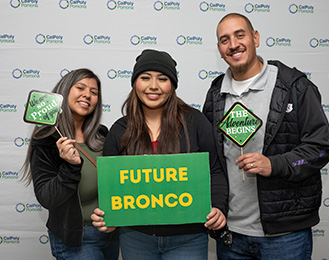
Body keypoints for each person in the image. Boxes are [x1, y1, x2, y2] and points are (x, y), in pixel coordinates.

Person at [203, 13, 329, 260]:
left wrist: (274, 164)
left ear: (255, 38)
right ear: (220, 50)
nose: (233, 44)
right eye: (224, 40)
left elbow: (321, 147)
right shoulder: (215, 94)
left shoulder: (294, 87)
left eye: (240, 35)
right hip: (230, 235)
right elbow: (210, 162)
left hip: (285, 236)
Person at [91, 49, 228, 260]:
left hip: (189, 237)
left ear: (172, 85)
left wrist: (218, 207)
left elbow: (216, 170)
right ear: (135, 83)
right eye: (145, 78)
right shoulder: (119, 130)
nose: (153, 86)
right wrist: (108, 218)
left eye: (162, 79)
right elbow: (110, 186)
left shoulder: (196, 122)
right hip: (135, 237)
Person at [21, 69, 119, 260]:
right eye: (80, 88)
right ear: (64, 92)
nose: (87, 95)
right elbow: (47, 198)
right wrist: (70, 167)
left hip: (110, 234)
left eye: (94, 92)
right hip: (77, 239)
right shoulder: (46, 140)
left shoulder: (102, 135)